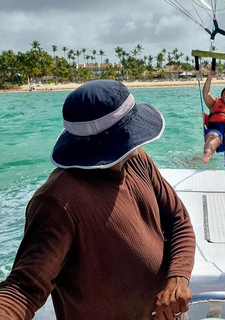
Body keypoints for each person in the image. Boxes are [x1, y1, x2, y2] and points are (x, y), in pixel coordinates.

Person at [0, 80, 196, 320]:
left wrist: (177, 278)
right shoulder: (58, 201)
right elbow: (22, 290)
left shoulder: (137, 160)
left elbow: (179, 220)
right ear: (120, 137)